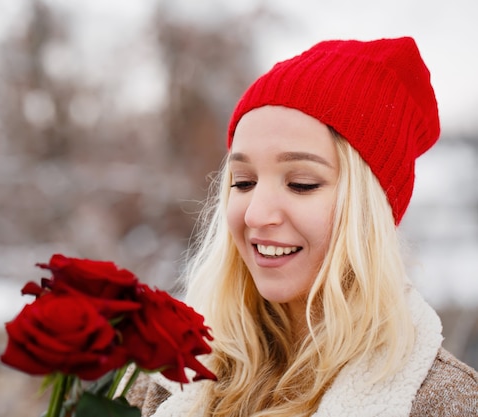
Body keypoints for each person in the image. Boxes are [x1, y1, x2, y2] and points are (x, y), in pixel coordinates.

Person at [126, 37, 478, 416]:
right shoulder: (159, 378)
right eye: (243, 182)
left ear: (369, 210)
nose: (256, 214)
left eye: (301, 184)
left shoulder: (443, 402)